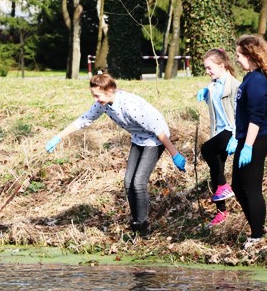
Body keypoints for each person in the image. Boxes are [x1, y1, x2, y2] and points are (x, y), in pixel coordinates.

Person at [44, 73, 186, 236]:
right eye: (94, 95)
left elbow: (158, 131)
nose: (96, 99)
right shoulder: (103, 104)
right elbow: (84, 119)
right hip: (138, 137)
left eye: (97, 95)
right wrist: (58, 137)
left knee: (139, 182)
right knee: (128, 182)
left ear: (110, 90)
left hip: (155, 138)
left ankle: (143, 226)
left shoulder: (130, 106)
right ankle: (136, 222)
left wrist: (175, 154)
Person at [232, 35, 267, 249]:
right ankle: (256, 229)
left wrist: (248, 146)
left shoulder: (258, 81)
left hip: (257, 139)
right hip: (245, 138)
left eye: (239, 55)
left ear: (250, 55)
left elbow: (256, 117)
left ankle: (257, 235)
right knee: (238, 187)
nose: (237, 60)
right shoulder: (249, 78)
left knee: (251, 188)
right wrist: (237, 139)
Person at [195, 48, 239, 227]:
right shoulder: (212, 86)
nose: (207, 72)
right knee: (216, 171)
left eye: (209, 68)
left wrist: (236, 136)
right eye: (206, 68)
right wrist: (206, 94)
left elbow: (239, 113)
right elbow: (216, 108)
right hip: (218, 131)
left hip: (231, 130)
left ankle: (225, 187)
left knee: (206, 149)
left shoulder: (235, 86)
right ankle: (221, 212)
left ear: (221, 65)